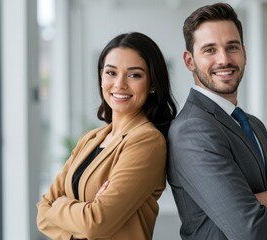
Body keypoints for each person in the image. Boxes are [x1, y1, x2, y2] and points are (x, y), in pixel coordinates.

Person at [167, 3, 267, 240]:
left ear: (244, 54)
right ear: (189, 61)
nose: (223, 59)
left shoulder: (253, 124)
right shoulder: (191, 130)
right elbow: (250, 230)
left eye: (231, 47)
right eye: (210, 50)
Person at [36, 32, 177, 240]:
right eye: (111, 73)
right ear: (101, 77)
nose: (120, 84)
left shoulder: (147, 141)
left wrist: (59, 205)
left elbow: (96, 223)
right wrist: (81, 216)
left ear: (153, 84)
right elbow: (41, 214)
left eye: (134, 75)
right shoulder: (91, 139)